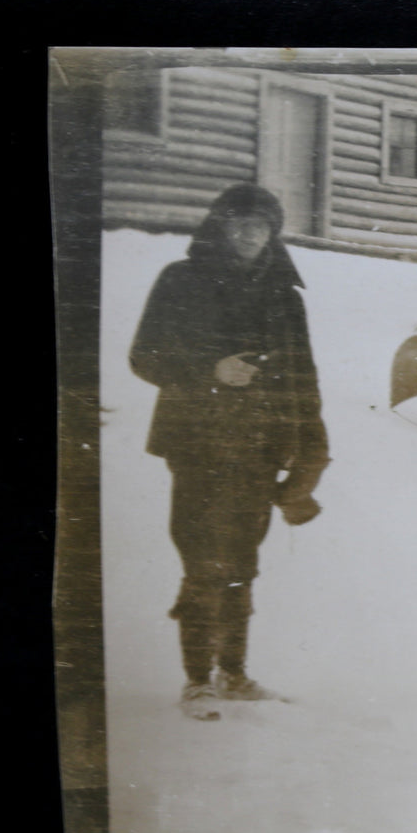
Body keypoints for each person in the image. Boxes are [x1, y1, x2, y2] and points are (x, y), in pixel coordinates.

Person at [130, 184, 330, 718]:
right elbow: (143, 357)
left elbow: (304, 377)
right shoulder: (180, 279)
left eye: (260, 224)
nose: (249, 233)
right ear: (218, 225)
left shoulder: (285, 293)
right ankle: (197, 682)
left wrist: (314, 446)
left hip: (260, 447)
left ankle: (235, 675)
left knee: (243, 560)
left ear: (273, 231)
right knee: (203, 560)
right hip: (197, 443)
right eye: (238, 222)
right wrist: (210, 370)